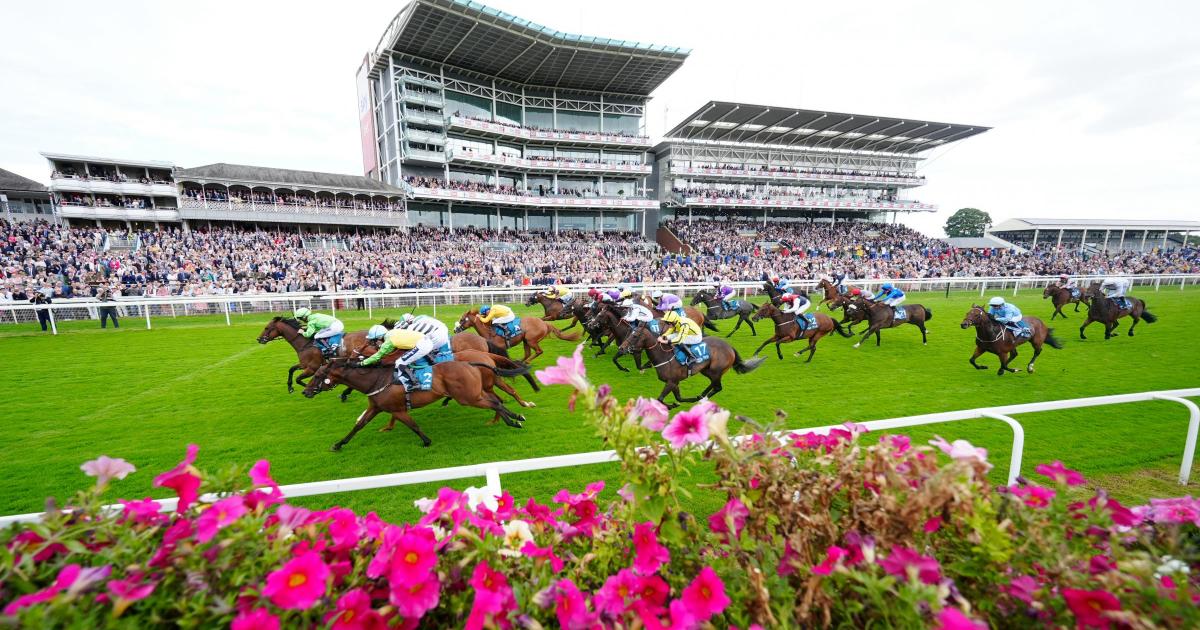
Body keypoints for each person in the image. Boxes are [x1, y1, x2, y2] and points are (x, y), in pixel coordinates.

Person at [360, 325, 434, 390]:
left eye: (375, 340)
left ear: (379, 337)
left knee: (400, 362)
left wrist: (362, 363)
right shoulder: (392, 332)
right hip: (426, 340)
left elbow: (378, 356)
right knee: (405, 357)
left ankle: (415, 383)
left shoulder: (389, 341)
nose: (376, 341)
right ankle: (431, 360)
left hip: (423, 346)